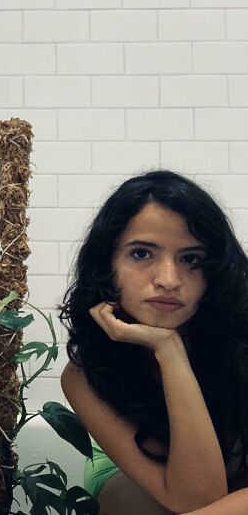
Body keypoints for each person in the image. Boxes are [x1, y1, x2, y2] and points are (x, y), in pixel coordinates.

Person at [57, 169, 248, 515]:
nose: (169, 280)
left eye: (191, 259)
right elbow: (197, 497)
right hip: (144, 485)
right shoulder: (86, 373)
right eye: (142, 254)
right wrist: (169, 350)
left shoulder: (240, 337)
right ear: (108, 263)